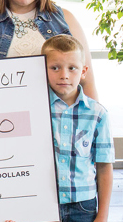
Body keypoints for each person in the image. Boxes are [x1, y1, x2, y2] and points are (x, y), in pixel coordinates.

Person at [42, 35, 113, 222]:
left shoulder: (98, 114)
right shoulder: (36, 110)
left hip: (84, 206)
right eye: (55, 68)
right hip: (43, 202)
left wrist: (103, 215)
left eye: (72, 68)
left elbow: (104, 167)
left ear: (83, 71)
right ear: (43, 68)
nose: (64, 75)